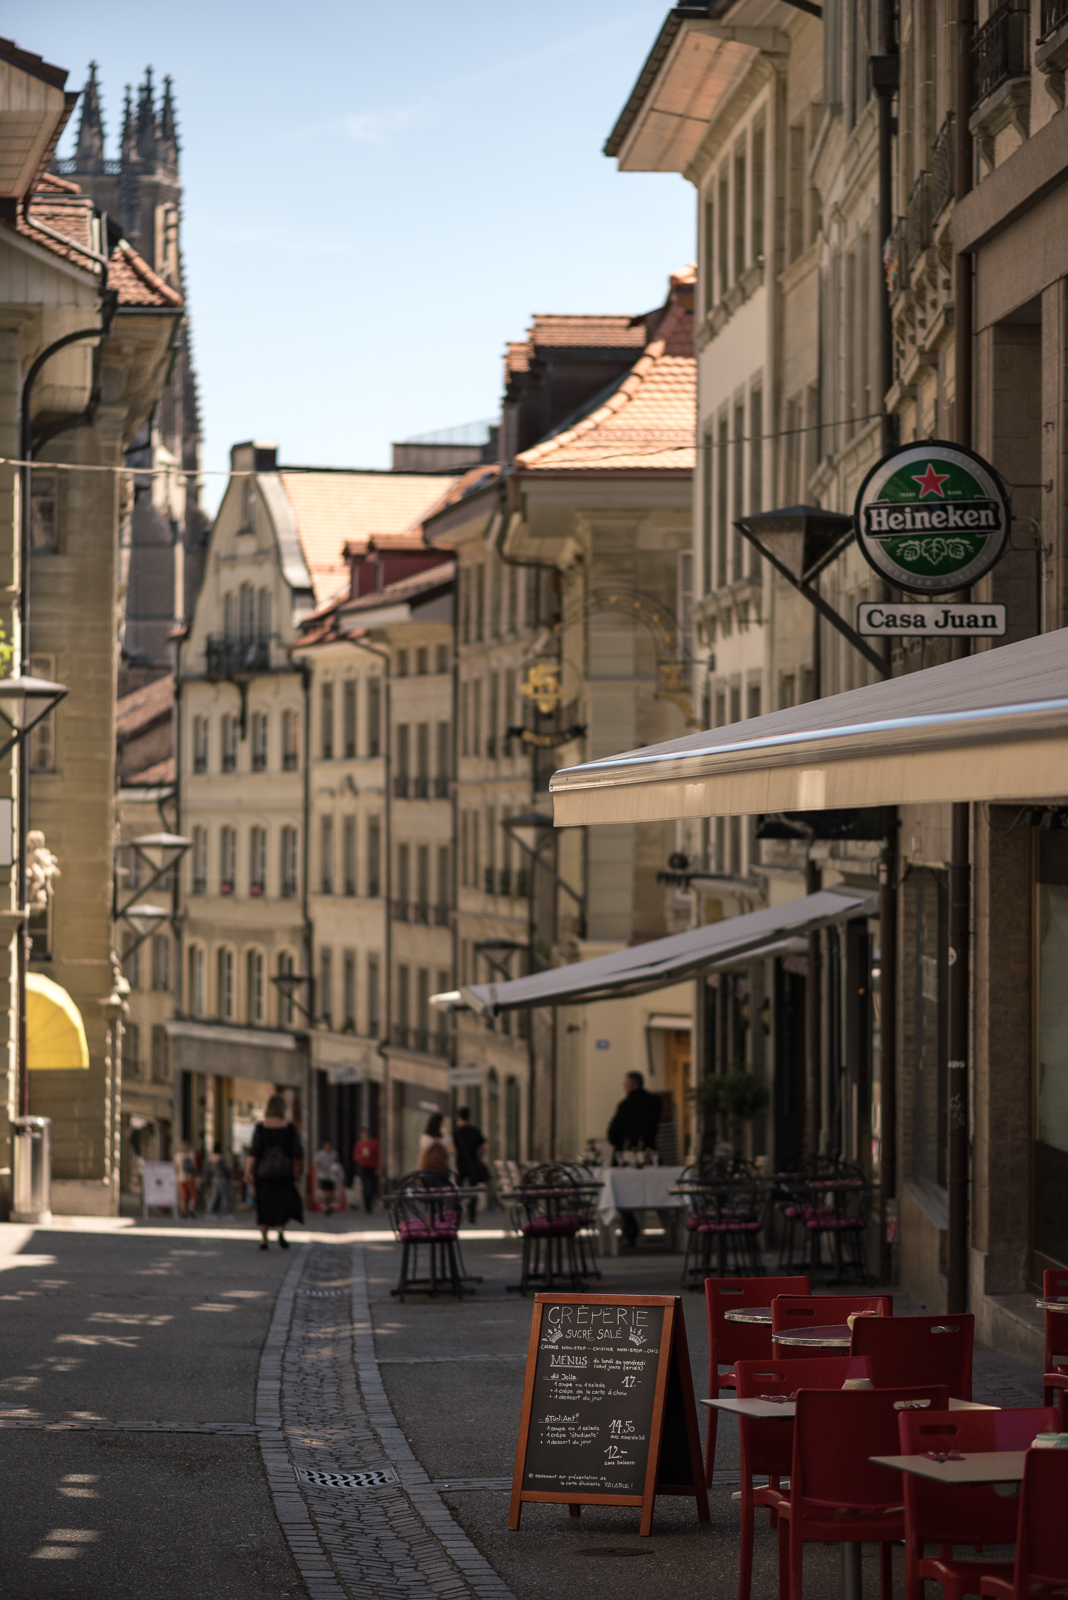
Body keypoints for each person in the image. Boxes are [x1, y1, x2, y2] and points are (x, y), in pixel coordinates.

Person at [607, 1071, 661, 1247]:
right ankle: (668, 1226)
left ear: (631, 1085)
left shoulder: (626, 1104)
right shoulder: (654, 1102)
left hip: (626, 1154)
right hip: (649, 1153)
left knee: (621, 1192)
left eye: (625, 1085)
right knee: (658, 1187)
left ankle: (630, 1230)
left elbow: (613, 1133)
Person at [244, 1094, 304, 1249]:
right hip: (283, 1173)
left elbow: (253, 1152)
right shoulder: (290, 1128)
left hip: (263, 1174)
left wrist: (247, 1171)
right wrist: (299, 1169)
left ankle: (263, 1239)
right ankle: (280, 1231)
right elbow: (298, 1152)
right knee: (281, 1202)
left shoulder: (260, 1127)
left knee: (263, 1204)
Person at [453, 1106, 488, 1223]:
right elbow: (482, 1149)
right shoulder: (475, 1131)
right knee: (473, 1190)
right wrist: (477, 1159)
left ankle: (458, 1213)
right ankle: (472, 1214)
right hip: (473, 1164)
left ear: (459, 1117)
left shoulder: (456, 1132)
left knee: (459, 1190)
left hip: (460, 1164)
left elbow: (453, 1150)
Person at [312, 1139, 344, 1215]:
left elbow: (336, 1163)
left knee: (331, 1193)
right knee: (326, 1192)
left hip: (332, 1176)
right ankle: (326, 1206)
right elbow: (315, 1163)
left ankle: (328, 1206)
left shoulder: (334, 1153)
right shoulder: (320, 1154)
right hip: (323, 1176)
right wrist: (319, 1166)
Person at [353, 1127, 380, 1213]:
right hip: (364, 1167)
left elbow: (378, 1156)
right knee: (366, 1187)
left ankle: (371, 1203)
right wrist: (362, 1157)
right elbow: (356, 1156)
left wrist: (378, 1167)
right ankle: (367, 1205)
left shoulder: (374, 1143)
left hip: (372, 1167)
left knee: (373, 1186)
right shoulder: (359, 1144)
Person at [416, 1112, 451, 1177]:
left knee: (430, 1186)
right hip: (442, 1169)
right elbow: (452, 1151)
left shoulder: (426, 1137)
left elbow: (422, 1154)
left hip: (429, 1170)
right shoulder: (446, 1137)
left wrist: (418, 1169)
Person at [205, 1143, 233, 1221]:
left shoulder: (211, 1158)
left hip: (214, 1178)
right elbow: (225, 1168)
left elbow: (208, 1169)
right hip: (221, 1178)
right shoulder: (221, 1158)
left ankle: (209, 1212)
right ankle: (225, 1213)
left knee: (213, 1196)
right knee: (224, 1196)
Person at [175, 1142, 197, 1219]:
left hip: (180, 1178)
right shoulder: (191, 1155)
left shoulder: (177, 1156)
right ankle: (190, 1210)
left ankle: (183, 1211)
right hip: (189, 1177)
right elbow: (194, 1166)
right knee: (193, 1195)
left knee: (183, 1195)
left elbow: (176, 1167)